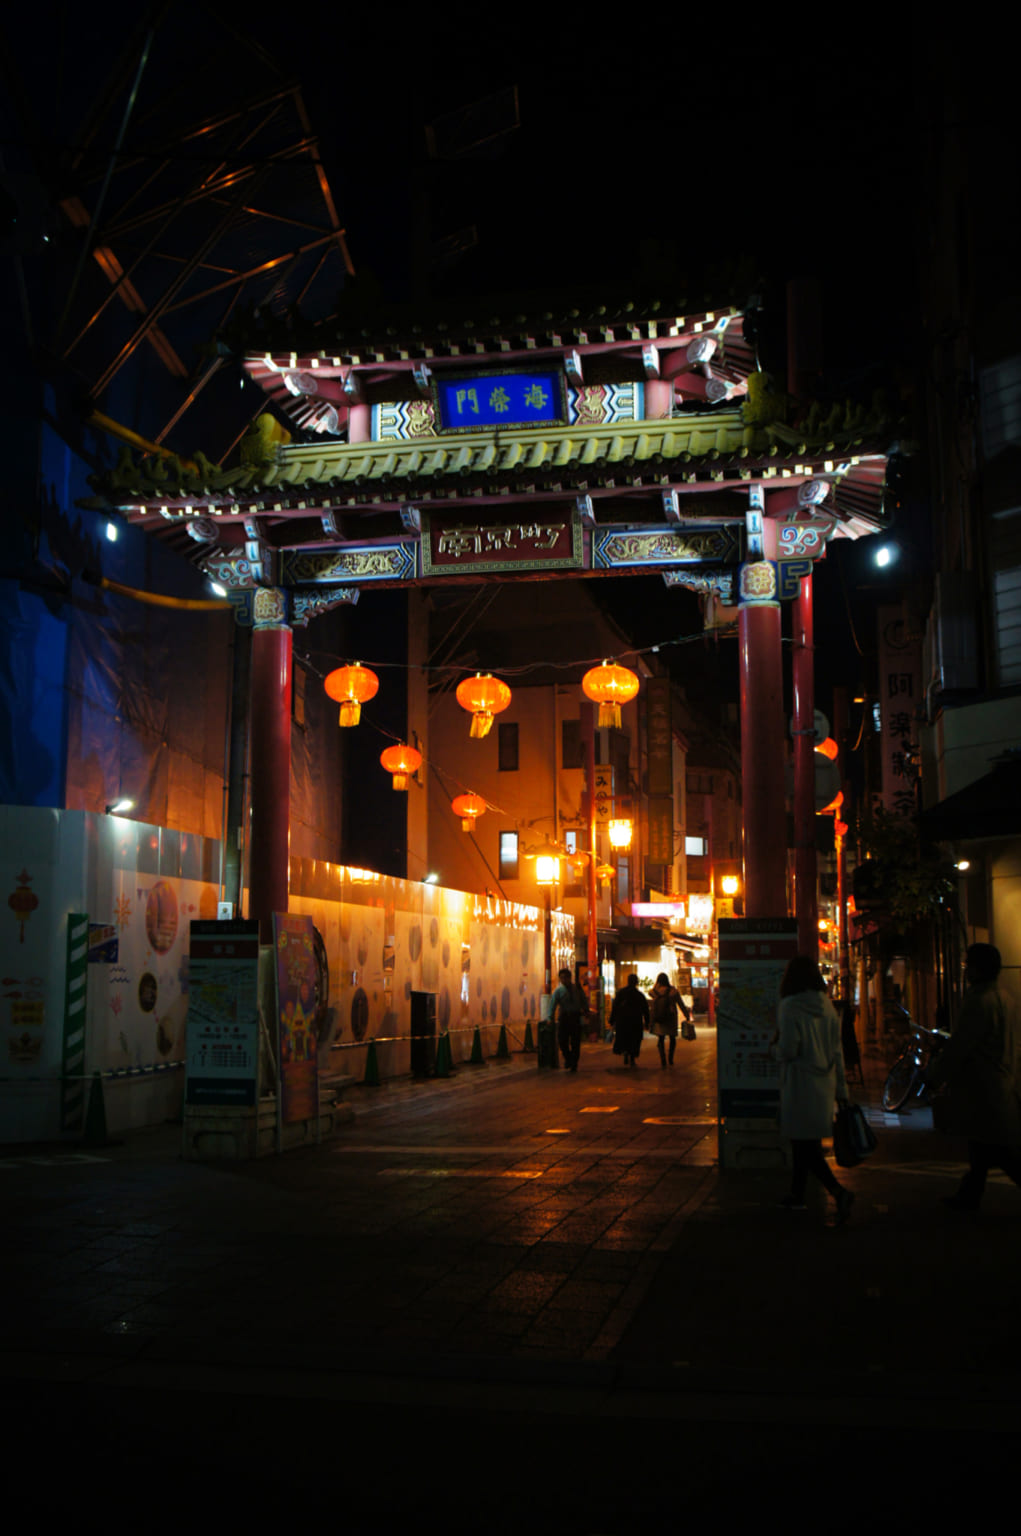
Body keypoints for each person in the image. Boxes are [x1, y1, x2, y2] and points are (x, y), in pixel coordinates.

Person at [924, 943, 1021, 1212]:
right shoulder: (1008, 999)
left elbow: (960, 1046)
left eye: (968, 965)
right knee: (985, 1148)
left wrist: (935, 1075)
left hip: (984, 1088)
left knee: (998, 1150)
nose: (965, 970)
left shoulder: (979, 1002)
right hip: (1003, 1084)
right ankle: (969, 1195)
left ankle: (969, 1196)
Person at [773, 954, 854, 1222]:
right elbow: (837, 1051)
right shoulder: (827, 1007)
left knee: (804, 1145)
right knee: (805, 1143)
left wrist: (773, 1050)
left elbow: (788, 1048)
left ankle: (838, 1190)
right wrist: (842, 1091)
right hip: (824, 1084)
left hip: (799, 1083)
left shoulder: (790, 1006)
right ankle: (797, 1195)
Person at [549, 967, 589, 1072]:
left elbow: (583, 1000)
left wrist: (586, 1011)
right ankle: (568, 1058)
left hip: (575, 1017)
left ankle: (574, 1062)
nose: (564, 980)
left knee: (575, 1042)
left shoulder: (577, 989)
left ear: (570, 978)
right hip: (564, 1017)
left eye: (565, 978)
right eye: (561, 978)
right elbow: (553, 1004)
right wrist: (550, 1017)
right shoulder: (558, 991)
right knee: (562, 1040)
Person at [649, 972, 690, 1068]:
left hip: (659, 1017)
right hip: (671, 1017)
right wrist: (686, 1014)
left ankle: (663, 1059)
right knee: (672, 1038)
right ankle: (670, 1058)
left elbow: (650, 992)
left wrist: (656, 986)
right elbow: (680, 1004)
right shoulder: (673, 992)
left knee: (661, 1039)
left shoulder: (654, 992)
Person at [610, 974, 649, 1067]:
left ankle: (625, 1053)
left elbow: (615, 1007)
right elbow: (645, 1009)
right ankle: (632, 1058)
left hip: (623, 1021)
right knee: (634, 1040)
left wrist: (612, 1019)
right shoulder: (639, 995)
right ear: (636, 982)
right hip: (635, 1021)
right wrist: (647, 1022)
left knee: (624, 1038)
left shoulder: (621, 993)